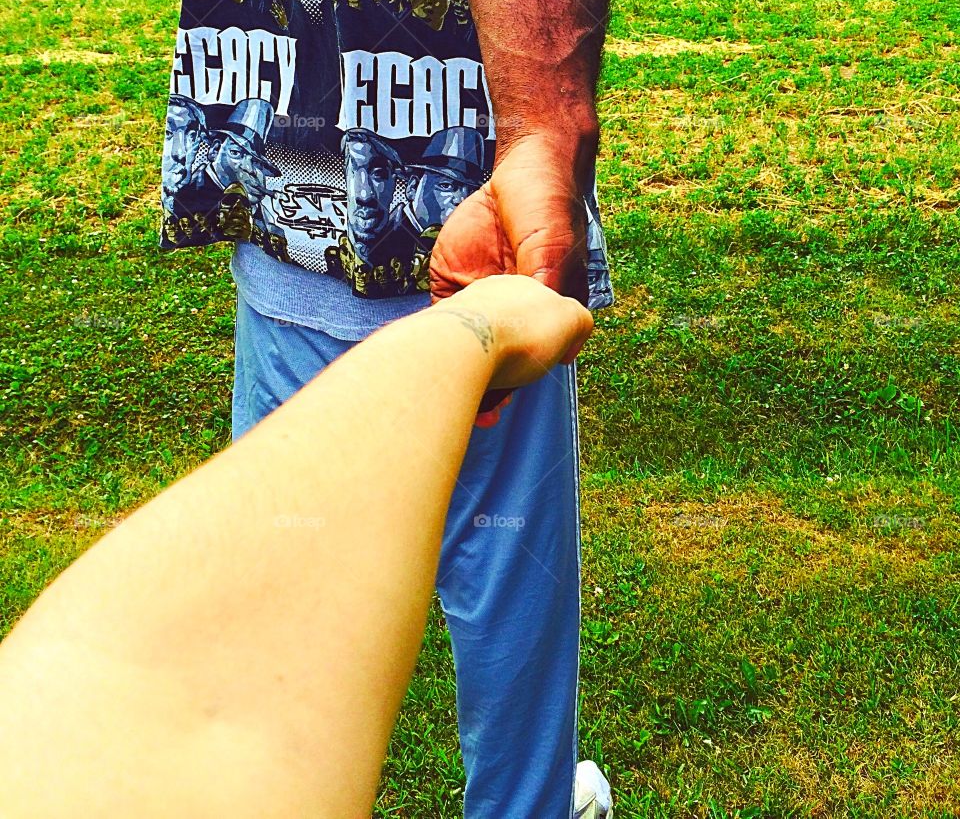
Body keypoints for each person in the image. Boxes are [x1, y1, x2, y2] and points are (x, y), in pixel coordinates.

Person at [159, 0, 633, 815]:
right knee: (509, 631)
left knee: (279, 647)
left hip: (285, 245)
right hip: (471, 260)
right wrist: (537, 139)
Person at [0, 278, 596, 819]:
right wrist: (478, 327)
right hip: (462, 265)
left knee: (261, 592)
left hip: (294, 259)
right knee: (501, 591)